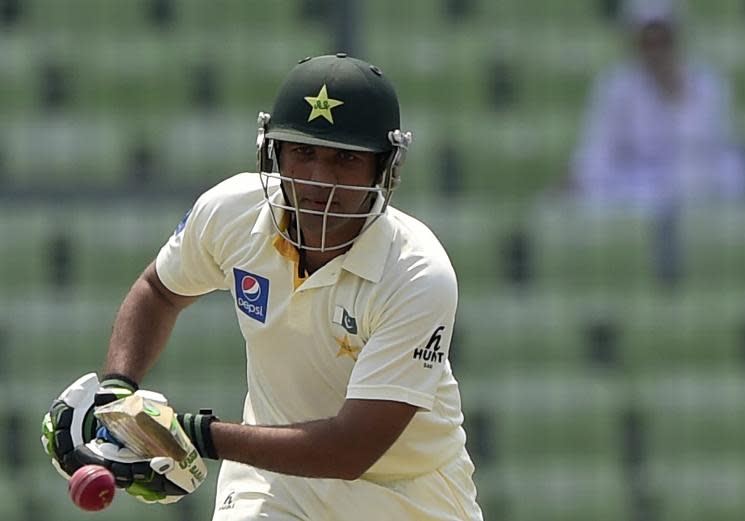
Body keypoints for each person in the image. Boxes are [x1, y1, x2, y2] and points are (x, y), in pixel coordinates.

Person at [41, 53, 484, 521]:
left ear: (385, 167)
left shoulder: (416, 273)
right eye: (304, 151)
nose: (319, 179)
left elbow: (352, 450)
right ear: (272, 152)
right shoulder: (233, 211)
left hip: (409, 494)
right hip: (273, 483)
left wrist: (194, 434)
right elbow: (159, 290)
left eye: (345, 158)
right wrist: (117, 391)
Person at [570, 0, 745, 209]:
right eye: (648, 42)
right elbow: (598, 155)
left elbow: (726, 152)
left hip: (699, 190)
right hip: (634, 193)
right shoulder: (616, 87)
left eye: (663, 40)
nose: (656, 51)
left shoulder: (708, 85)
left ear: (676, 38)